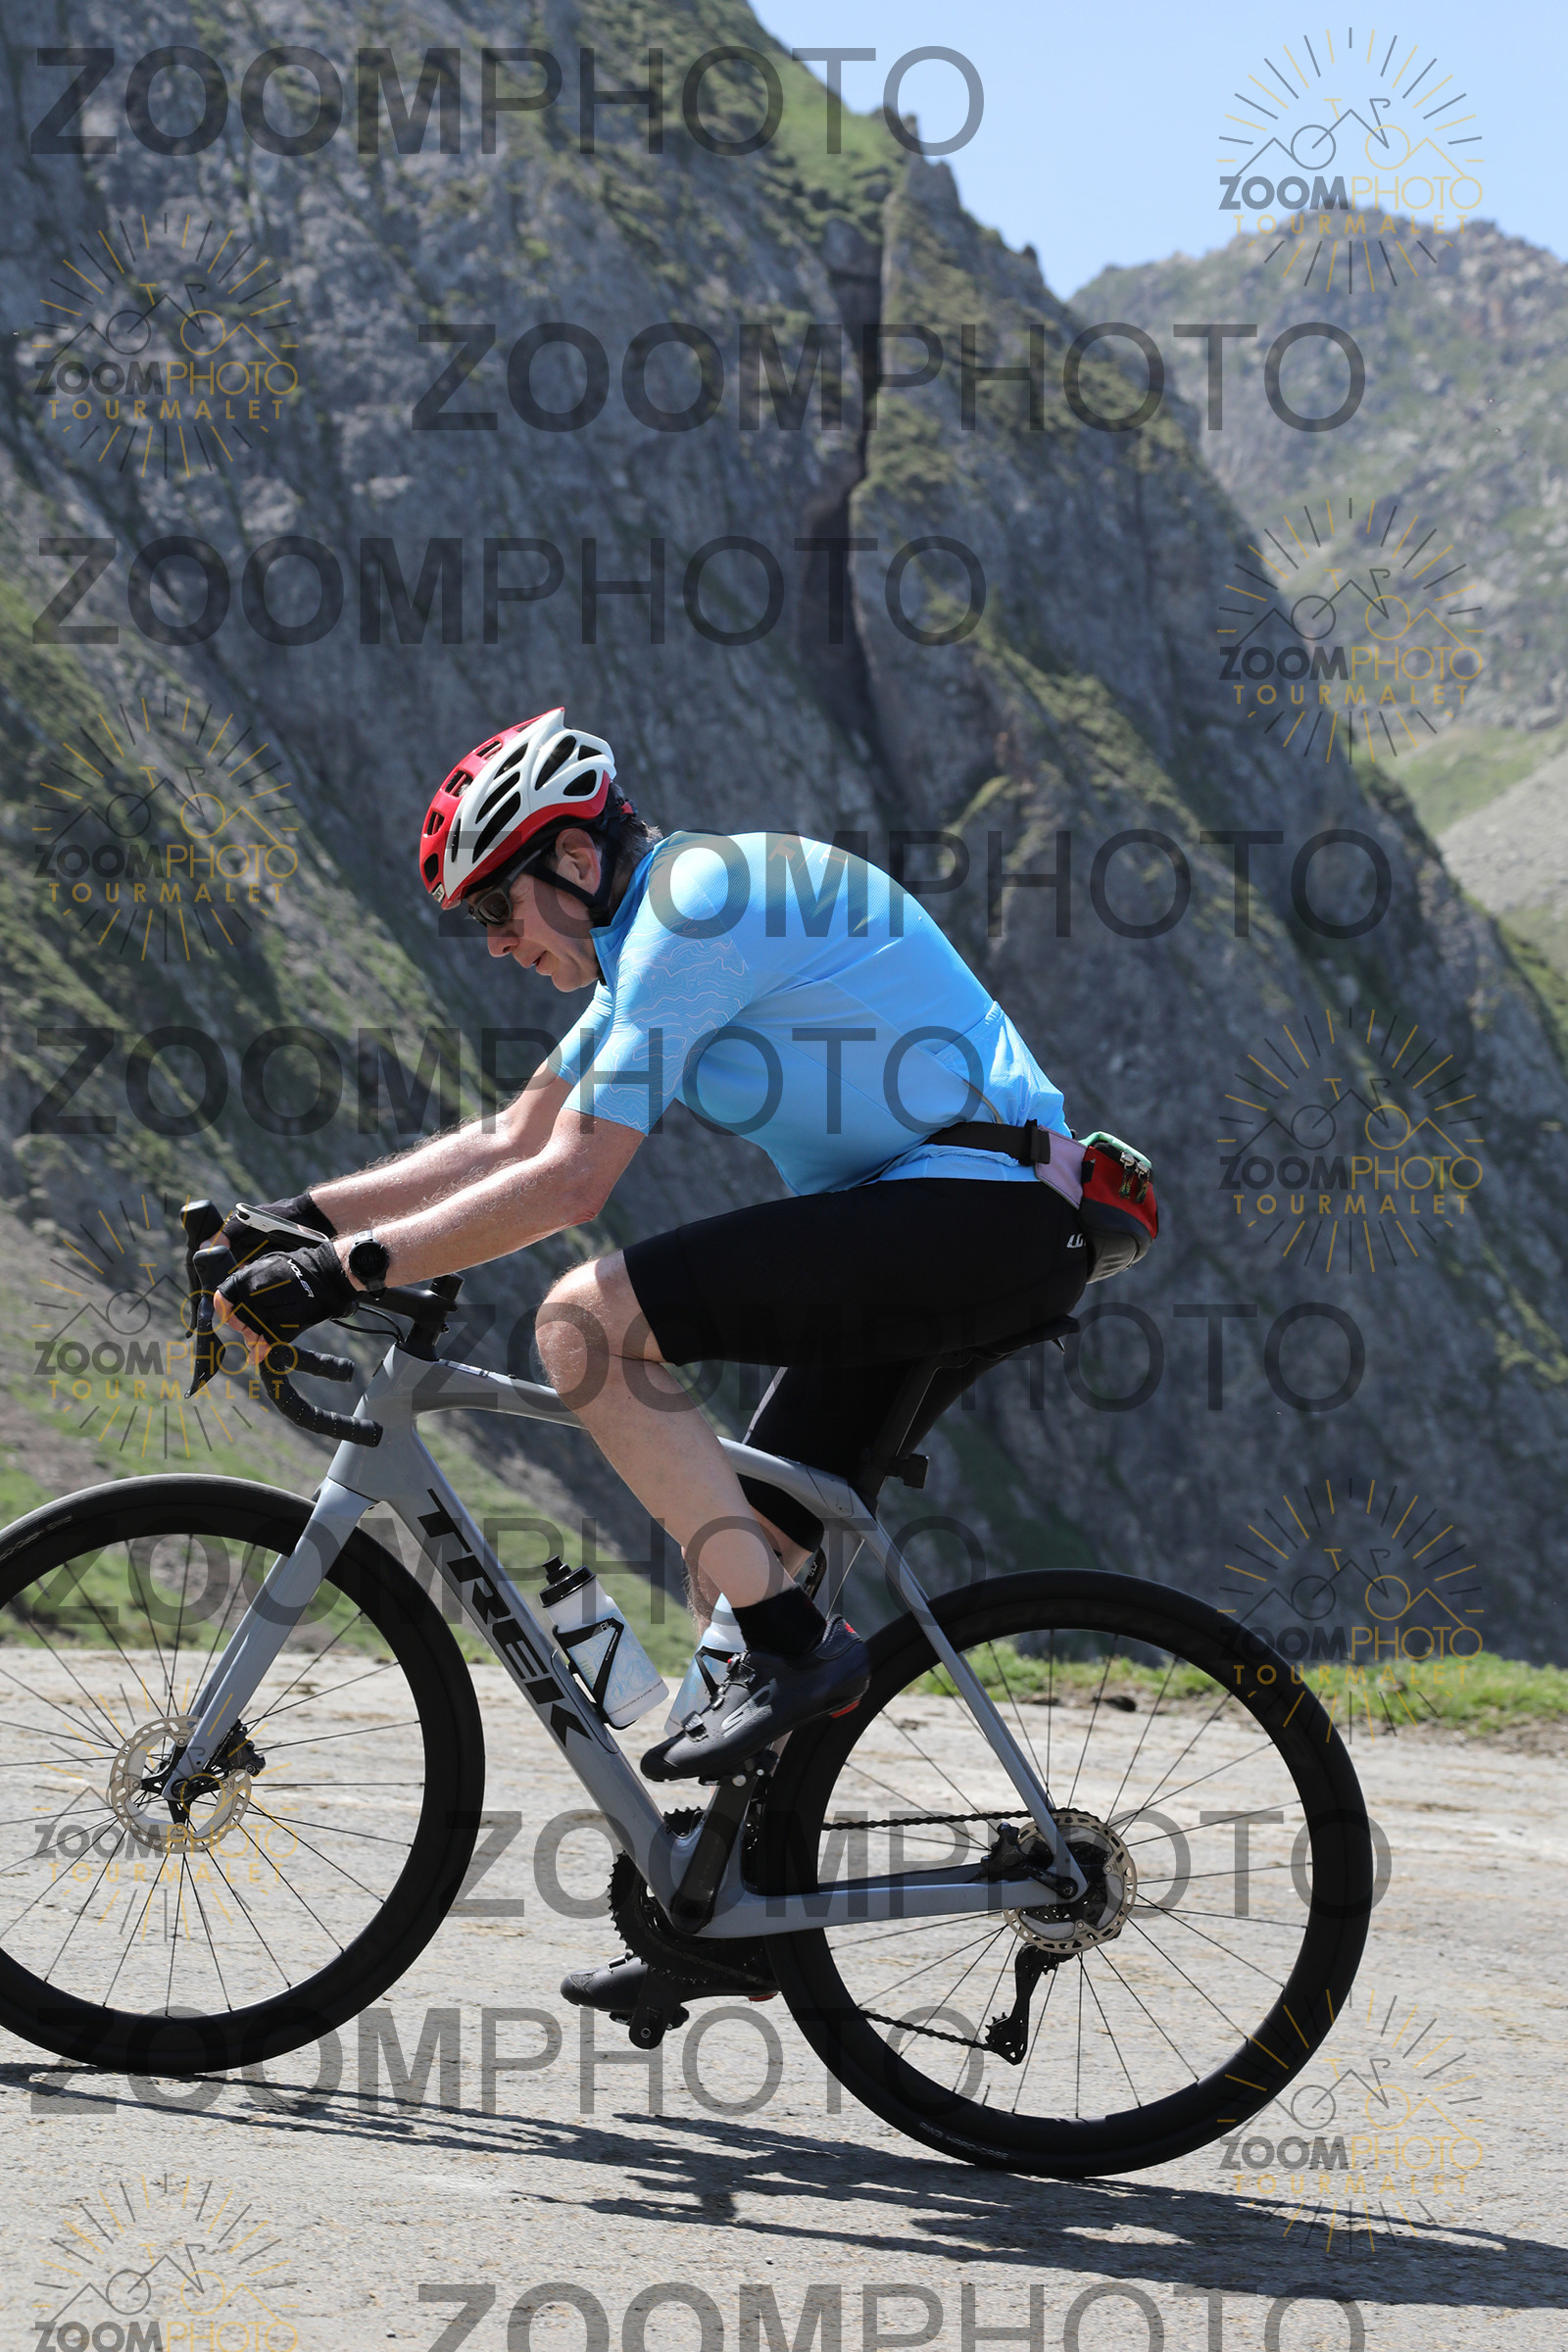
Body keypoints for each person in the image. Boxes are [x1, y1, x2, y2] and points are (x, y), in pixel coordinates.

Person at [215, 706, 1103, 2019]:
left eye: (496, 907)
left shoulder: (697, 909)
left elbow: (572, 1182)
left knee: (584, 1324)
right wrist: (294, 1223)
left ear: (574, 860)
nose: (495, 943)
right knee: (744, 1546)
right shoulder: (648, 947)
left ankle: (798, 1649)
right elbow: (514, 1135)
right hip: (947, 1220)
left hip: (982, 1210)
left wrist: (345, 1276)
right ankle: (726, 1908)